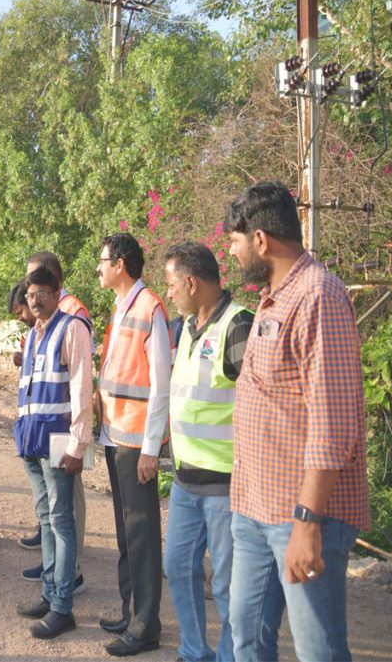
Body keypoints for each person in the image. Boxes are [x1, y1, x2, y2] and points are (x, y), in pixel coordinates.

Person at [224, 182, 369, 661]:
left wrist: (307, 523)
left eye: (236, 241)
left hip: (303, 516)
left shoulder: (318, 296)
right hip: (254, 508)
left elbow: (334, 423)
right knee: (245, 636)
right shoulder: (274, 298)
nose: (232, 251)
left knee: (318, 651)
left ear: (261, 240)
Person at [162, 242, 253, 662]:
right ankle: (194, 652)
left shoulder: (238, 327)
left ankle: (230, 657)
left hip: (225, 487)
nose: (169, 294)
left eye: (170, 285)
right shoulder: (185, 328)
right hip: (185, 482)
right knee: (178, 569)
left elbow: (262, 405)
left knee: (228, 586)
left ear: (191, 282)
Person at [96, 232, 170, 657]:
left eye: (103, 261)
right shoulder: (121, 307)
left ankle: (146, 626)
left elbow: (161, 385)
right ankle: (130, 610)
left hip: (135, 441)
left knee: (141, 534)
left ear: (120, 264)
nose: (99, 268)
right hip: (115, 435)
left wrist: (150, 448)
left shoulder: (149, 308)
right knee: (126, 532)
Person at [13, 265, 93, 639]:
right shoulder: (32, 336)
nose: (35, 298)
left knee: (61, 524)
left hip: (59, 441)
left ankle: (63, 606)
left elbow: (80, 388)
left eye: (42, 291)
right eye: (31, 293)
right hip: (33, 441)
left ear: (57, 291)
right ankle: (49, 593)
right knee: (46, 520)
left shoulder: (71, 327)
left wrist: (79, 444)